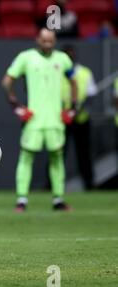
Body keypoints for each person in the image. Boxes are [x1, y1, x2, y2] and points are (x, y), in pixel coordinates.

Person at [1, 28, 78, 212]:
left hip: (55, 119)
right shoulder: (26, 57)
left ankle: (58, 199)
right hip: (33, 120)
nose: (47, 44)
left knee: (57, 158)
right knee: (26, 157)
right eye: (44, 40)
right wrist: (17, 107)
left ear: (55, 41)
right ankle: (21, 200)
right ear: (37, 40)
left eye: (50, 41)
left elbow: (73, 82)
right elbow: (7, 81)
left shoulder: (62, 59)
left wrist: (72, 109)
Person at [61, 45, 98, 190]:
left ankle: (89, 184)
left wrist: (76, 111)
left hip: (81, 119)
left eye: (71, 54)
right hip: (62, 119)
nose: (69, 57)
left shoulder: (85, 72)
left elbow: (90, 95)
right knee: (57, 153)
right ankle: (51, 185)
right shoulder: (57, 72)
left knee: (84, 153)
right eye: (66, 54)